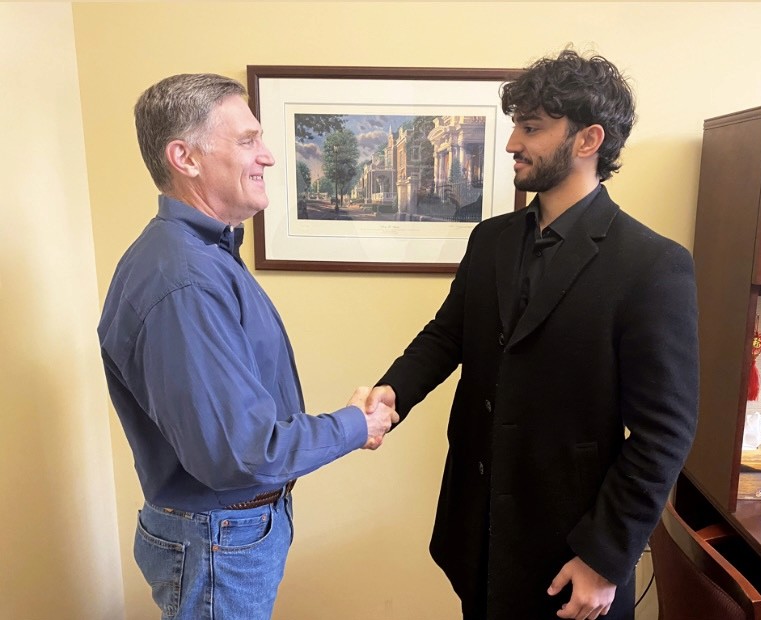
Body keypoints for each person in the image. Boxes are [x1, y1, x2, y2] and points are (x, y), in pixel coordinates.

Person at [367, 50, 699, 620]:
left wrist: (604, 556)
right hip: (476, 535)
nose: (512, 143)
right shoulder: (491, 240)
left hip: (574, 555)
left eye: (532, 128)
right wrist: (391, 394)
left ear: (588, 139)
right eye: (515, 125)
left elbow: (664, 432)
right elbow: (447, 336)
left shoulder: (652, 265)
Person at [98, 73, 398, 620]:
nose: (269, 157)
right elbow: (239, 453)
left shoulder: (204, 256)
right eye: (247, 140)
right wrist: (356, 426)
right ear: (184, 158)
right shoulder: (183, 279)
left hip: (227, 534)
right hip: (219, 540)